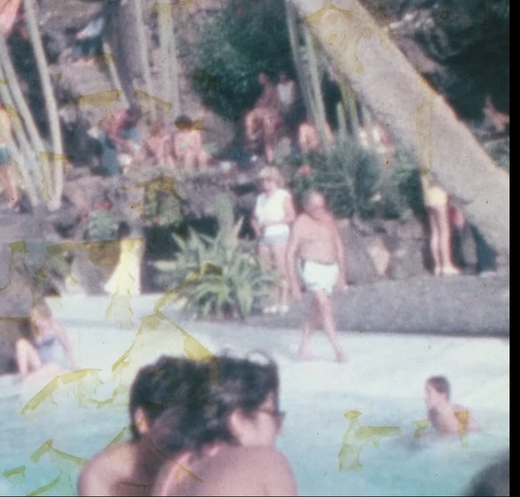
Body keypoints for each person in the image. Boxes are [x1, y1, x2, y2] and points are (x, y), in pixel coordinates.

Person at [154, 354, 298, 497]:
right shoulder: (266, 462)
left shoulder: (173, 471)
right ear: (238, 419)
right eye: (274, 415)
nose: (280, 429)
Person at [77, 356, 210, 497]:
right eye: (181, 426)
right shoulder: (104, 476)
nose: (192, 436)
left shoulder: (206, 456)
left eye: (198, 423)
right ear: (143, 421)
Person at [284, 190, 349, 363]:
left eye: (322, 206)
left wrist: (342, 274)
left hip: (330, 268)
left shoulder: (329, 219)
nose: (319, 210)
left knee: (316, 310)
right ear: (306, 207)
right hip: (310, 267)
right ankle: (338, 351)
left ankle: (303, 348)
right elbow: (290, 254)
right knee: (325, 307)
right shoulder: (300, 223)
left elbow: (338, 245)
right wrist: (294, 285)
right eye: (315, 207)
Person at [253, 166, 298, 314]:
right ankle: (272, 300)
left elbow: (291, 216)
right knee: (267, 269)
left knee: (280, 268)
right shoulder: (260, 198)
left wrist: (274, 222)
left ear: (275, 180)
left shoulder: (282, 195)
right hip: (264, 237)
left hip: (279, 234)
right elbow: (256, 217)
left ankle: (284, 299)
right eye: (263, 181)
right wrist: (255, 225)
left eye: (268, 180)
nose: (265, 184)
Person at [15, 302, 76, 383]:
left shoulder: (54, 327)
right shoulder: (36, 329)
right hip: (41, 362)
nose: (32, 319)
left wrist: (73, 366)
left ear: (42, 315)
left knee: (29, 379)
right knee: (21, 343)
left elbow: (67, 347)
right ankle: (23, 374)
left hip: (55, 364)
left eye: (34, 316)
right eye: (32, 316)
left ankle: (23, 383)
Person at [422, 174, 461, 277]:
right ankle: (446, 265)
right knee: (445, 231)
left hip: (428, 196)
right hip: (440, 196)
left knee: (435, 232)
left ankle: (437, 266)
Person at [244, 73, 283, 164]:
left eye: (261, 78)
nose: (260, 80)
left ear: (266, 78)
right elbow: (261, 103)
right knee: (251, 117)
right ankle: (253, 138)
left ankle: (269, 156)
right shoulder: (265, 90)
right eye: (259, 78)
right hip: (267, 114)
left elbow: (268, 102)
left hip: (272, 115)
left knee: (267, 128)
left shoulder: (272, 88)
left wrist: (261, 103)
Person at [0, 98, 21, 209]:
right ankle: (10, 197)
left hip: (3, 146)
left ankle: (15, 198)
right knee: (3, 173)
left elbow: (2, 131)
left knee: (8, 172)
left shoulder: (2, 114)